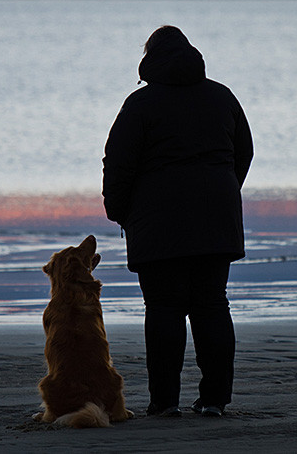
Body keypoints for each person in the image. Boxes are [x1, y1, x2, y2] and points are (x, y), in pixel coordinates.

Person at [102, 25, 253, 418]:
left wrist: (119, 210)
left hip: (158, 222)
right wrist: (223, 189)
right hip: (216, 220)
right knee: (212, 306)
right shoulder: (222, 96)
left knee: (164, 308)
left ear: (149, 58)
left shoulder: (141, 104)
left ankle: (165, 402)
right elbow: (244, 153)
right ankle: (215, 399)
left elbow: (117, 164)